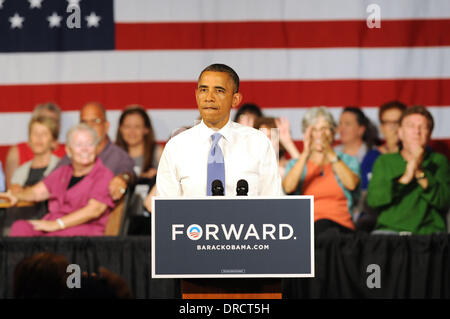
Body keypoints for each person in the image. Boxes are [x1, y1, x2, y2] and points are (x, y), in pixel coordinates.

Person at [156, 63, 281, 196]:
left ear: (235, 99)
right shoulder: (176, 147)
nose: (209, 98)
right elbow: (166, 210)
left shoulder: (258, 143)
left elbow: (272, 203)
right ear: (196, 95)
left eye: (219, 91)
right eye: (203, 90)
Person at [0, 124, 115, 237]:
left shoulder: (104, 175)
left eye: (90, 144)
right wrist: (17, 195)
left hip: (82, 229)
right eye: (79, 145)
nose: (85, 149)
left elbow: (95, 210)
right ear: (69, 150)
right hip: (52, 226)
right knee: (20, 227)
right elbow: (37, 192)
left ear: (96, 148)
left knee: (52, 239)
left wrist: (58, 224)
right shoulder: (63, 172)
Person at [367, 106, 450, 235]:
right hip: (390, 232)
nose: (417, 131)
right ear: (400, 132)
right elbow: (374, 201)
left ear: (429, 133)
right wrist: (404, 179)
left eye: (423, 127)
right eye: (411, 126)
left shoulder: (438, 161)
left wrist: (419, 171)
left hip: (429, 233)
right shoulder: (384, 161)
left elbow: (444, 201)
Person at [283, 107, 360, 234]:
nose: (319, 134)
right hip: (308, 230)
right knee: (321, 226)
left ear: (333, 132)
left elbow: (351, 184)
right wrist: (305, 153)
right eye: (314, 129)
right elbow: (288, 188)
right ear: (306, 134)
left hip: (343, 229)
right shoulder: (296, 164)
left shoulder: (348, 161)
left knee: (328, 229)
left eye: (324, 129)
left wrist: (329, 152)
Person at [57, 102, 135, 201]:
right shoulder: (72, 155)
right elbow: (48, 185)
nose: (89, 126)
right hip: (59, 211)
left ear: (106, 126)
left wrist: (122, 179)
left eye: (95, 121)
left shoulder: (119, 157)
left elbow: (128, 174)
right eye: (84, 122)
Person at [355, 101, 407, 232]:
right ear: (382, 127)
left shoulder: (420, 156)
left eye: (398, 122)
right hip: (375, 217)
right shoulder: (372, 157)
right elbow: (366, 196)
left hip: (406, 216)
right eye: (388, 123)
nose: (394, 128)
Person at [5, 102, 66, 188]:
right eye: (42, 120)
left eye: (51, 122)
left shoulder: (65, 160)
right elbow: (11, 192)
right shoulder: (20, 167)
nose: (39, 137)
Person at [115, 105, 163, 179]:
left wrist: (160, 177)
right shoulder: (112, 154)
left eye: (137, 126)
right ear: (121, 129)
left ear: (146, 129)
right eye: (127, 126)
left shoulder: (158, 153)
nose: (132, 131)